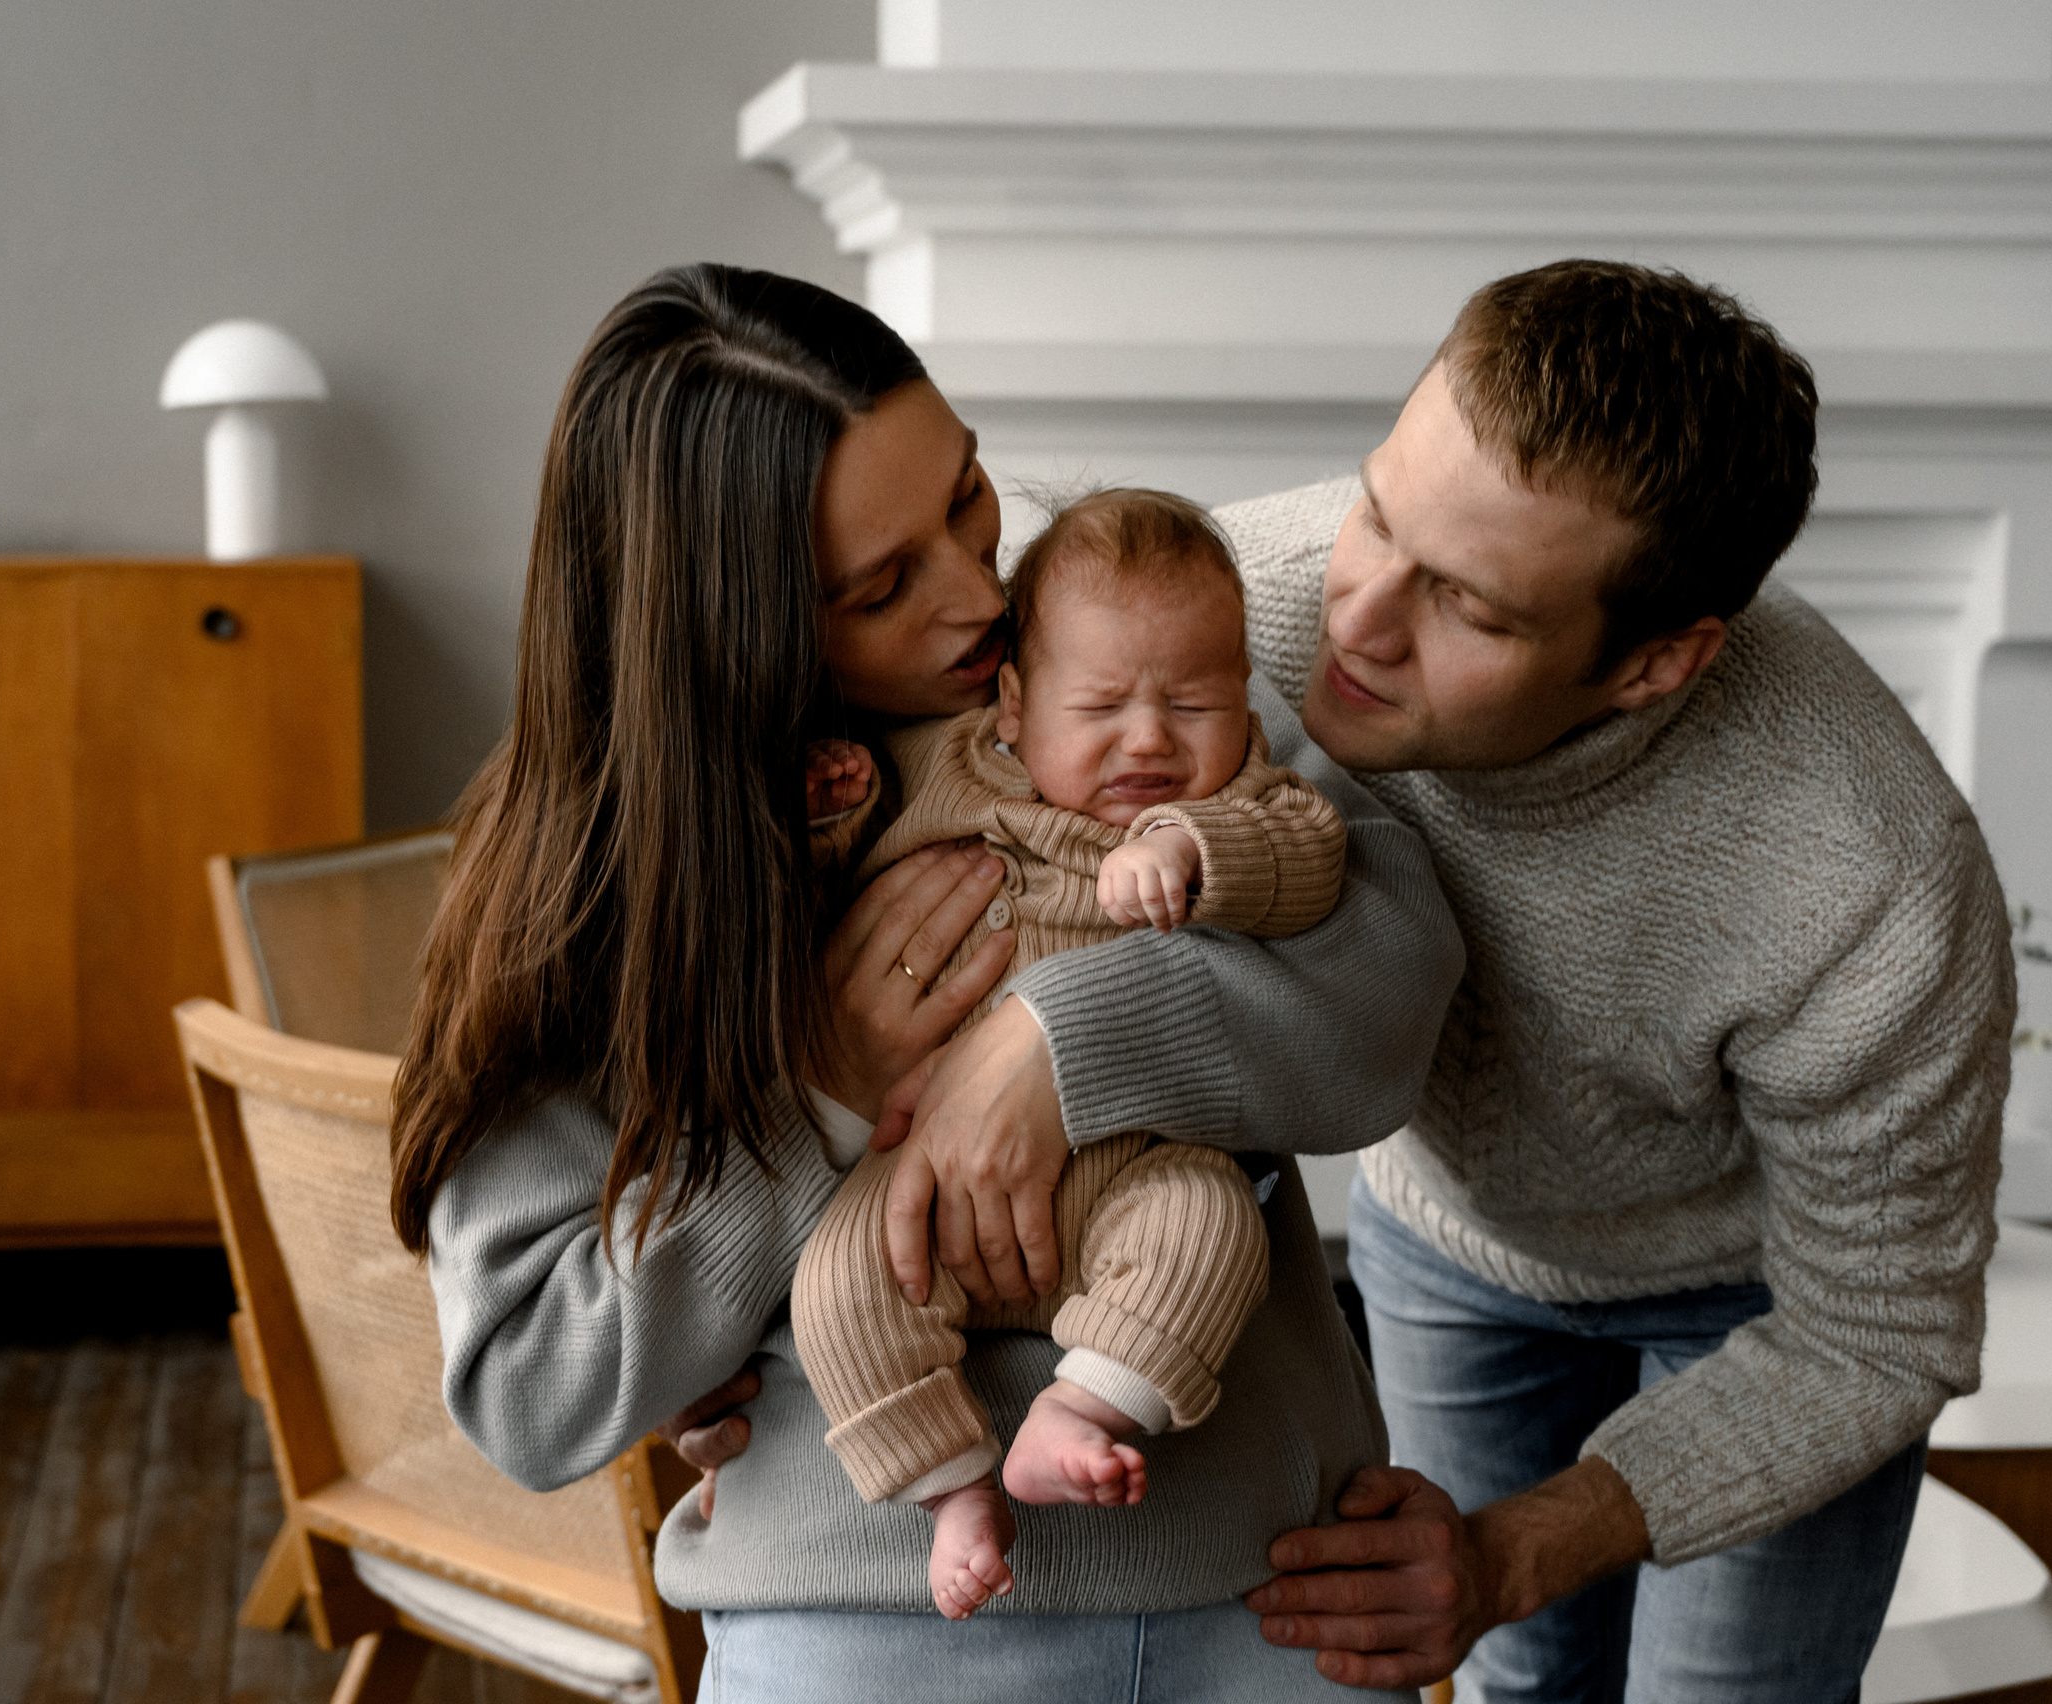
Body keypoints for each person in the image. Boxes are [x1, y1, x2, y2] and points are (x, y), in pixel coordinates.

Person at [390, 263, 1464, 1703]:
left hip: (1270, 1596)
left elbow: (1393, 1005)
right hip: (870, 1622)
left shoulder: (1137, 682)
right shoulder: (603, 884)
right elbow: (537, 1389)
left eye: (968, 497)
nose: (979, 600)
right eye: (885, 584)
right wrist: (826, 1094)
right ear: (737, 625)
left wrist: (1050, 1041)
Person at [1194, 260, 2011, 1701]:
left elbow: (1878, 1329)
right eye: (1377, 507)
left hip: (1762, 1309)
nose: (1359, 618)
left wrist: (1514, 1553)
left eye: (1468, 606)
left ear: (1656, 664)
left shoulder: (1869, 871)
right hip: (1451, 1245)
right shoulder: (1245, 600)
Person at [792, 488, 1346, 1621]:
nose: (1149, 739)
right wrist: (826, 821)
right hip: (922, 1183)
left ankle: (1083, 1411)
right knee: (836, 1282)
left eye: (1193, 703)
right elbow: (821, 894)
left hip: (1134, 1169)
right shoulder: (943, 767)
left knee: (1210, 1232)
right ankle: (952, 1491)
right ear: (1011, 704)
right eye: (1099, 706)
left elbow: (1312, 853)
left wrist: (1197, 845)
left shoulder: (1233, 796)